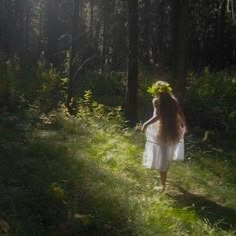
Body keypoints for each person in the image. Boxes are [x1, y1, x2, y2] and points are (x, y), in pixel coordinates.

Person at [142, 81, 187, 191]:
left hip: (162, 130)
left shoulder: (157, 101)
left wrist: (145, 124)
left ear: (157, 91)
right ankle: (164, 178)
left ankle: (163, 185)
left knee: (163, 157)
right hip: (172, 130)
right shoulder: (173, 100)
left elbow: (158, 116)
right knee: (165, 155)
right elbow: (180, 113)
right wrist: (184, 125)